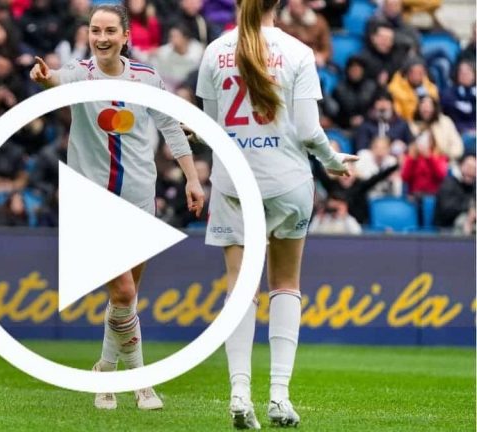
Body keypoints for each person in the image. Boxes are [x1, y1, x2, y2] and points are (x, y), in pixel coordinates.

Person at [29, 4, 205, 411]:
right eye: (95, 30)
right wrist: (44, 78)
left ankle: (105, 370)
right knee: (123, 290)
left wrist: (193, 179)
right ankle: (142, 383)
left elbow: (171, 128)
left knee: (126, 298)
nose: (102, 37)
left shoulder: (145, 78)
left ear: (126, 36)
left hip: (140, 195)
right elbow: (56, 81)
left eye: (110, 30)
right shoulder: (80, 73)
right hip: (92, 200)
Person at [195, 0, 357, 428]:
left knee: (240, 289)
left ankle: (238, 393)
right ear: (280, 4)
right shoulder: (298, 52)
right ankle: (279, 398)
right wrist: (333, 160)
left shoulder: (215, 51)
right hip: (287, 182)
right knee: (284, 285)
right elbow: (308, 130)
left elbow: (211, 130)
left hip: (233, 184)